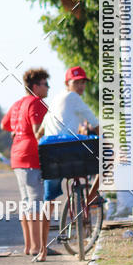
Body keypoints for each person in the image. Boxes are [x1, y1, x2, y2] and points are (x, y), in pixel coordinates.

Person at [0, 69, 50, 260]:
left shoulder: (17, 103)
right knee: (36, 201)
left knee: (27, 202)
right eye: (45, 84)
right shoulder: (36, 103)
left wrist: (17, 131)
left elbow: (4, 125)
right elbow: (38, 131)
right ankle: (37, 246)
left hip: (17, 156)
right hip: (31, 156)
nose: (48, 88)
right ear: (36, 86)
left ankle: (29, 245)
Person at [41, 66, 100, 206]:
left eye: (83, 82)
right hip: (68, 151)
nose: (81, 86)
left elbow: (41, 130)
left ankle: (43, 227)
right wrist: (107, 143)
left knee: (49, 201)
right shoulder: (73, 97)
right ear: (67, 84)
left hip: (49, 153)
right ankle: (90, 198)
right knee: (108, 161)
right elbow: (95, 123)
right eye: (76, 82)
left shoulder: (55, 99)